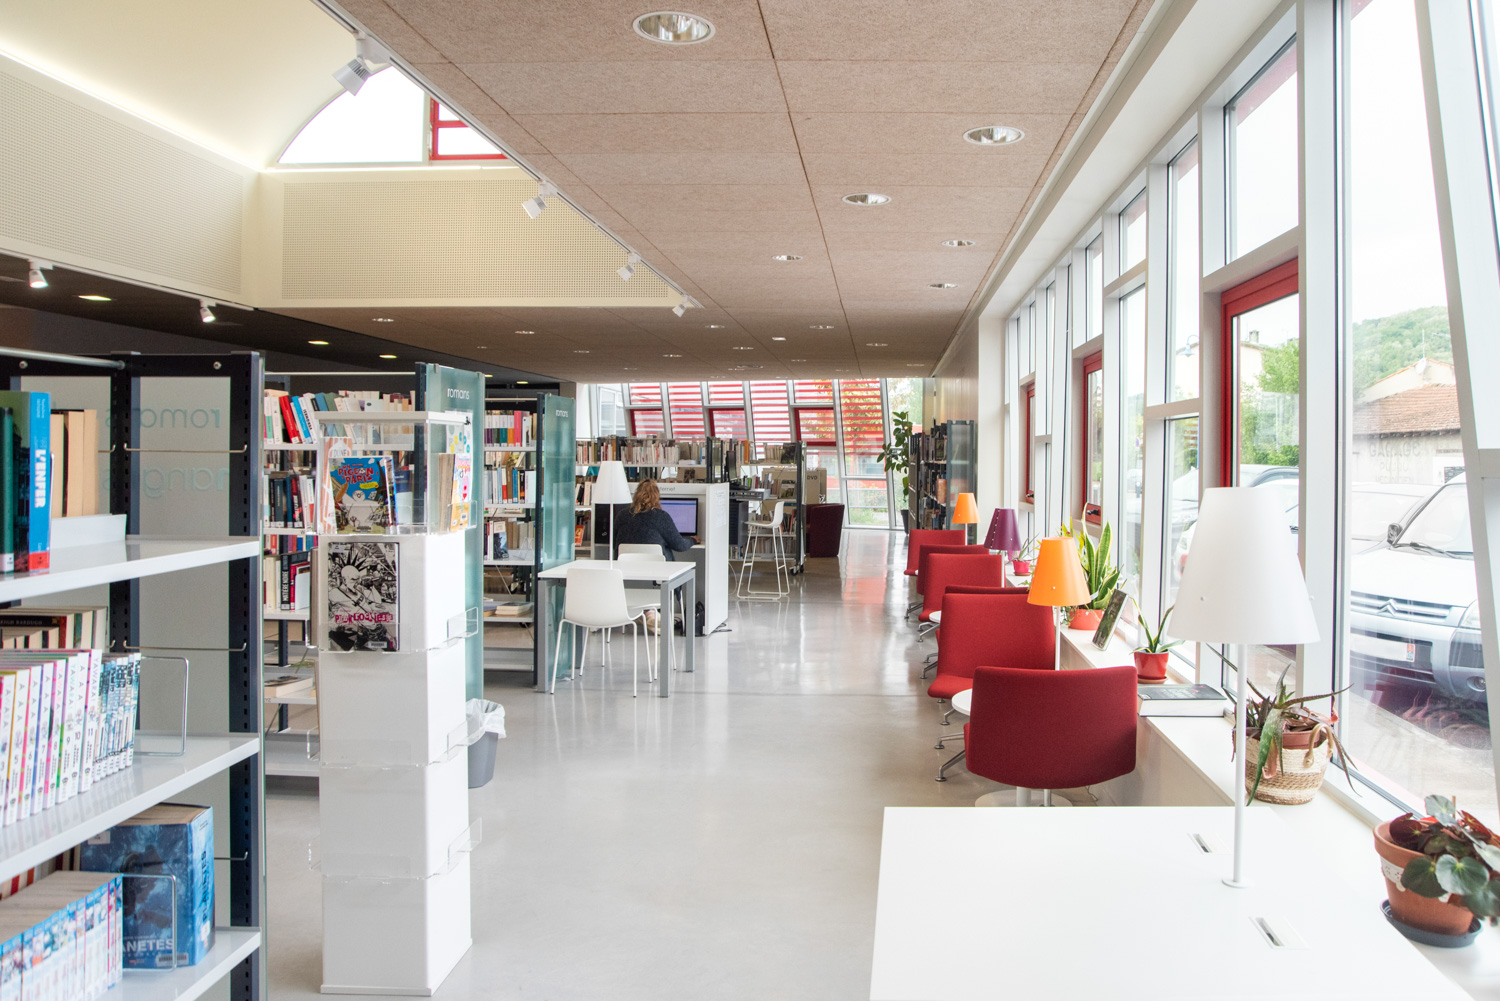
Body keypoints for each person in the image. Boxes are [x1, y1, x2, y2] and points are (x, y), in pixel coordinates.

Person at [614, 479, 698, 559]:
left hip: (626, 565)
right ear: (656, 497)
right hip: (657, 566)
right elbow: (680, 546)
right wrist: (693, 540)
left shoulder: (622, 514)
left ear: (636, 495)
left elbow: (613, 542)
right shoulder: (661, 516)